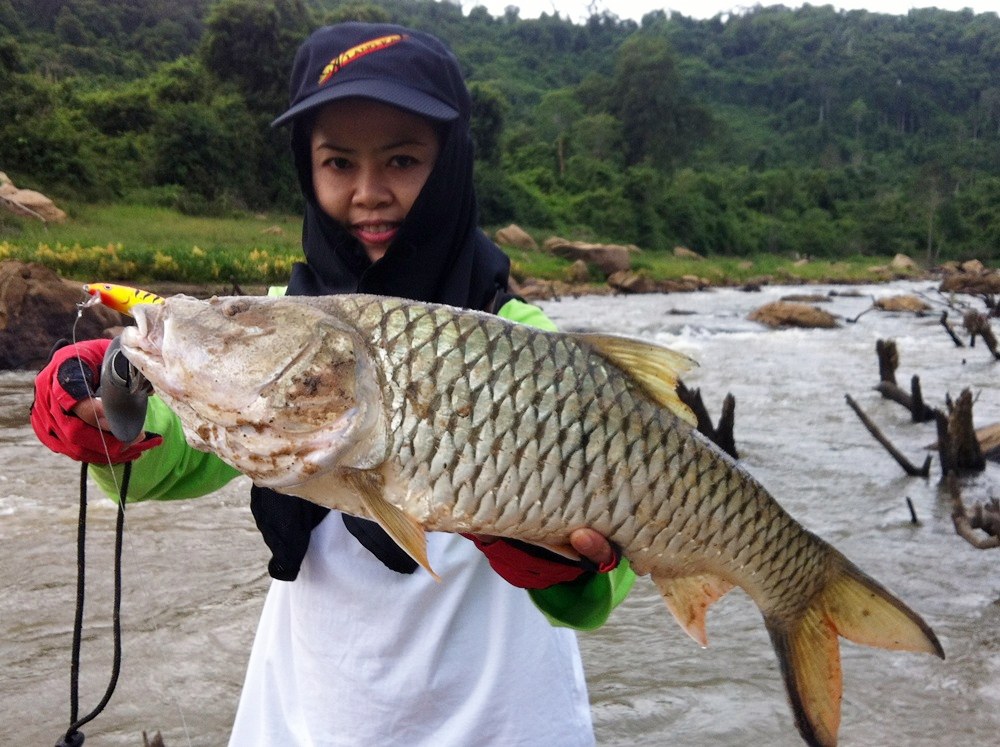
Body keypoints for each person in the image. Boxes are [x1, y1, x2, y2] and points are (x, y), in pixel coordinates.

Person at [31, 22, 635, 746]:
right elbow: (180, 454)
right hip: (308, 713)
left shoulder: (521, 335)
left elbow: (612, 570)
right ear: (306, 170)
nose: (369, 192)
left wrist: (564, 568)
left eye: (403, 160)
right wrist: (109, 421)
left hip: (501, 717)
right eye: (338, 162)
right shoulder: (275, 327)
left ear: (450, 166)